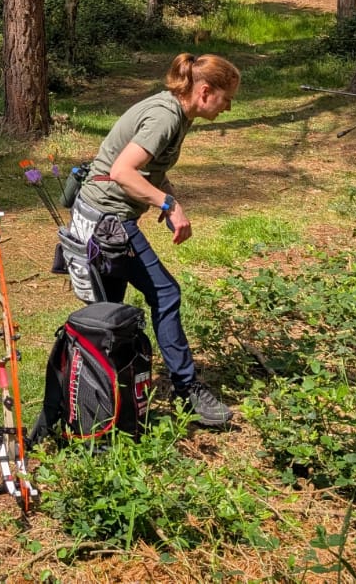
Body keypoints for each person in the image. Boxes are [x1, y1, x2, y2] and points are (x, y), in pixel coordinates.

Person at [70, 52, 238, 427]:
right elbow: (122, 171)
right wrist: (168, 204)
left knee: (107, 311)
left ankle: (103, 399)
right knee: (165, 293)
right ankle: (187, 390)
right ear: (205, 91)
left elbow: (151, 169)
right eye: (226, 99)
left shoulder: (178, 113)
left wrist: (167, 197)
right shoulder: (165, 117)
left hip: (100, 216)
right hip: (106, 221)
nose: (227, 107)